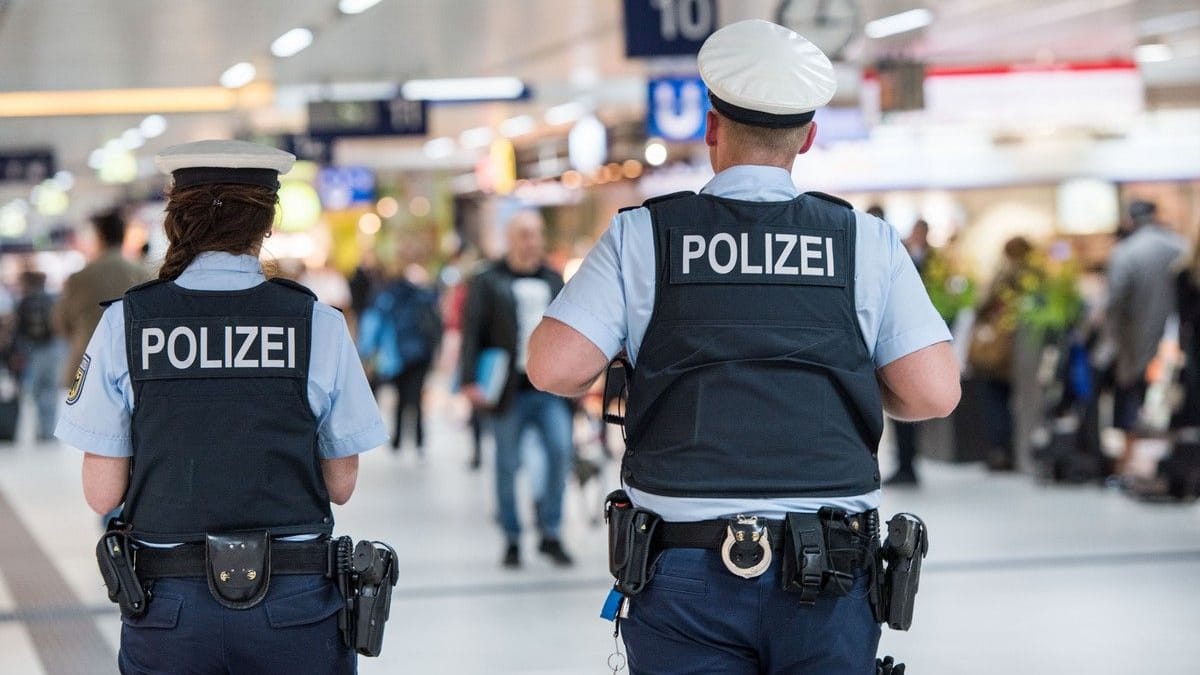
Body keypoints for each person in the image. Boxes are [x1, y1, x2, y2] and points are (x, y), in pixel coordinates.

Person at [527, 19, 959, 674]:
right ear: (808, 138)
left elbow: (553, 366)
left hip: (682, 567)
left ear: (710, 127)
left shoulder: (645, 236)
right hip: (831, 567)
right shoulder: (863, 242)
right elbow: (933, 391)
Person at [54, 140, 387, 674]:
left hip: (170, 607)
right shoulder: (315, 323)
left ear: (177, 222)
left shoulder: (128, 323)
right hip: (295, 605)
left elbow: (102, 493)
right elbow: (340, 485)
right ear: (265, 224)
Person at [459, 211, 574, 569]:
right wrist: (468, 381)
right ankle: (511, 537)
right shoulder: (488, 280)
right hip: (508, 390)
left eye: (538, 234)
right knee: (507, 465)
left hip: (549, 389)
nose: (532, 241)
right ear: (510, 239)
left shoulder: (554, 280)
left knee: (560, 452)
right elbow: (472, 332)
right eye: (525, 234)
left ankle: (550, 531)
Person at [1106, 200, 1189, 475]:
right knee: (1176, 405)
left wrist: (1117, 348)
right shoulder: (1181, 246)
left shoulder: (1126, 253)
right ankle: (1174, 463)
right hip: (1181, 344)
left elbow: (1115, 303)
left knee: (1136, 407)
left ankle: (1134, 466)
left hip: (1138, 346)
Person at [53, 208, 151, 392]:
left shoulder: (79, 278)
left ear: (100, 237)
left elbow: (61, 323)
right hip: (131, 367)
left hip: (86, 364)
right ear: (123, 236)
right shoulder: (143, 274)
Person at [358, 265, 442, 454]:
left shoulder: (390, 297)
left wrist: (368, 352)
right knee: (417, 398)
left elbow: (375, 324)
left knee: (401, 397)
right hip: (421, 355)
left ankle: (397, 440)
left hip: (398, 355)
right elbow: (435, 326)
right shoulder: (424, 297)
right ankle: (419, 440)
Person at [14, 270, 63, 441]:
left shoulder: (24, 302)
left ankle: (39, 430)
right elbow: (59, 325)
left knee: (33, 392)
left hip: (32, 351)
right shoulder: (51, 300)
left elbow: (18, 329)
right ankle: (48, 431)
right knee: (49, 391)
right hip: (51, 349)